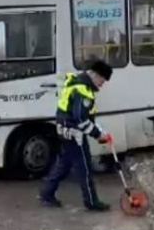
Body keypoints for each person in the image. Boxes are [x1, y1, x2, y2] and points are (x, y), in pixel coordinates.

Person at [39, 60, 113, 211]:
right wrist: (98, 135)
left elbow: (83, 116)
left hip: (65, 132)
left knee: (64, 165)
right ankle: (91, 202)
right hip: (75, 135)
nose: (102, 84)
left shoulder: (76, 84)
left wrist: (98, 129)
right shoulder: (82, 91)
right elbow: (80, 119)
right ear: (94, 75)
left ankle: (46, 194)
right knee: (84, 168)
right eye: (102, 80)